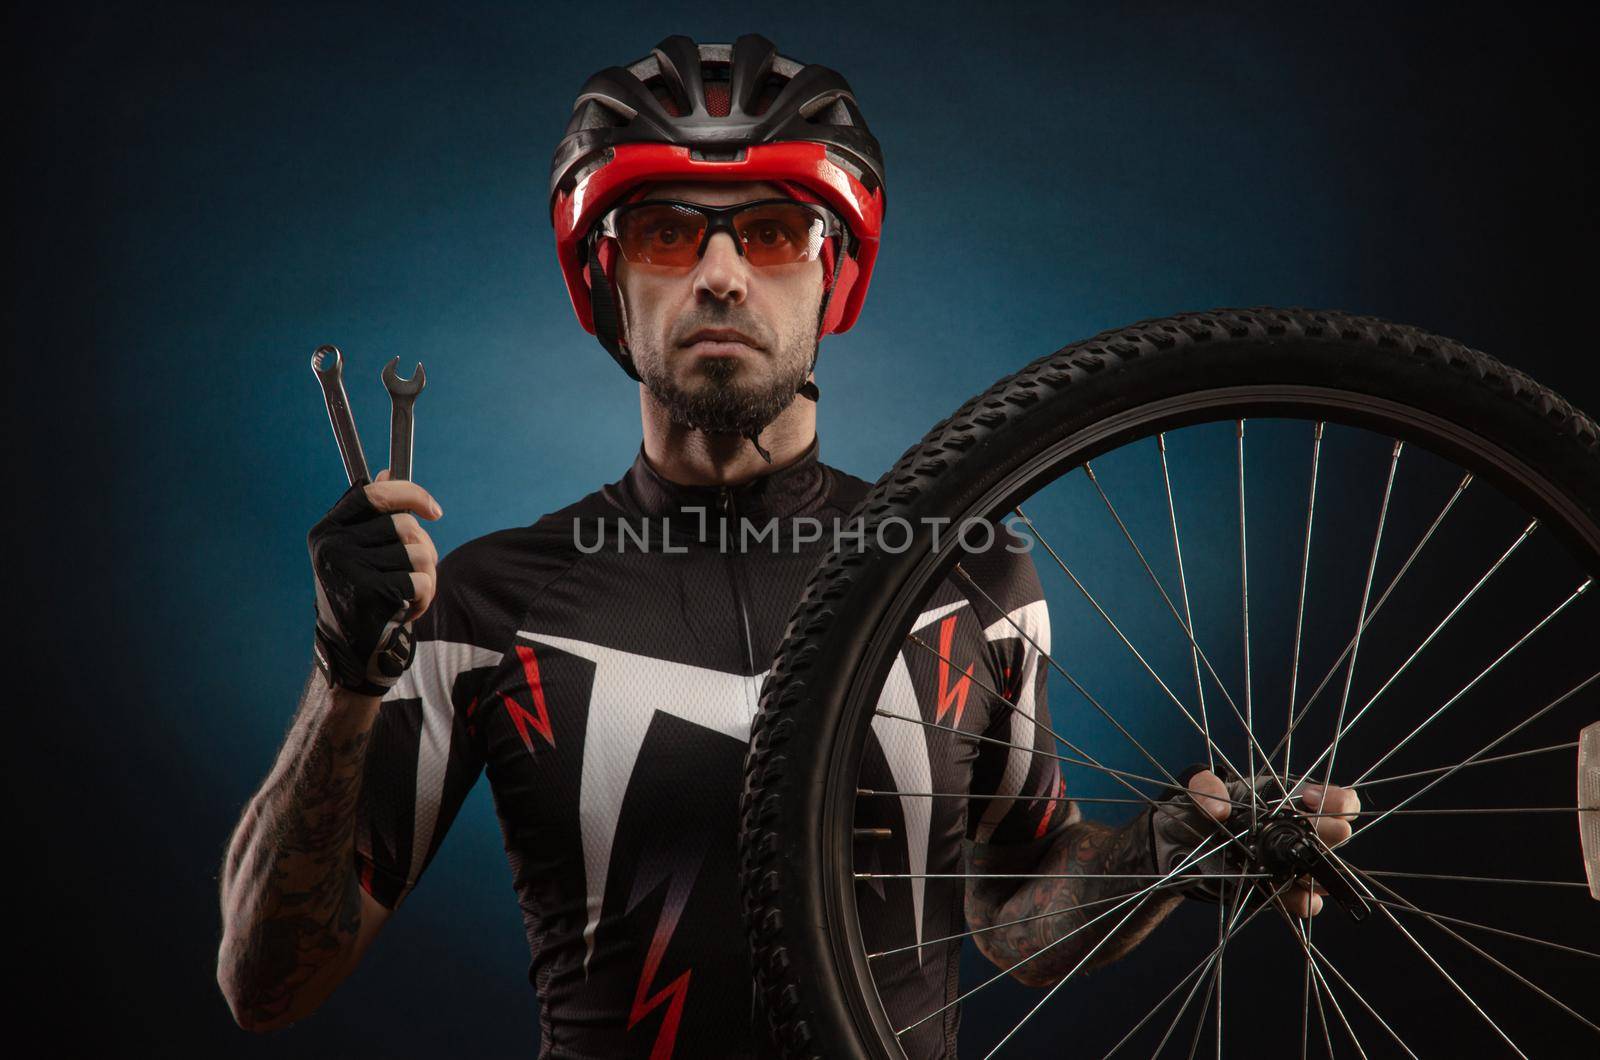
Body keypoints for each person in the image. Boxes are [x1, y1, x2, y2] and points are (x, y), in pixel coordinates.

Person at [216, 33, 1359, 1058]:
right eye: (666, 232)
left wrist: (1161, 852)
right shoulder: (487, 603)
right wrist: (344, 677)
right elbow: (265, 982)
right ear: (606, 283)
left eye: (771, 230)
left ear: (833, 273)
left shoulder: (967, 571)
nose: (720, 274)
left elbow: (1016, 912)